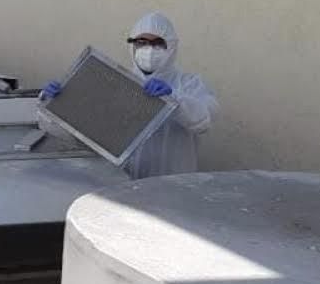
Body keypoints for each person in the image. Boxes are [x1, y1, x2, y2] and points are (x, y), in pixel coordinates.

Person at [40, 11, 218, 179]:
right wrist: (54, 104)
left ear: (171, 47)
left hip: (171, 183)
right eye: (141, 42)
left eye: (158, 43)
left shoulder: (189, 84)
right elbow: (78, 134)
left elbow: (204, 120)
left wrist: (175, 100)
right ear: (132, 46)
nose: (149, 49)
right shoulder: (117, 85)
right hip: (123, 183)